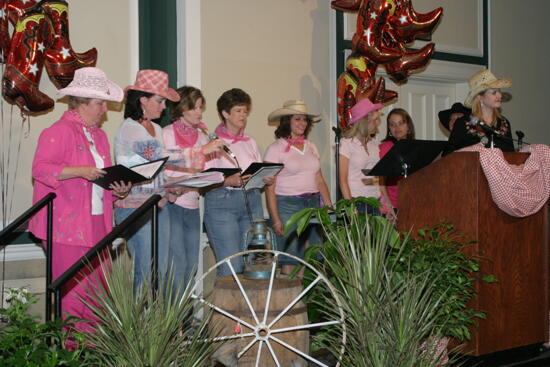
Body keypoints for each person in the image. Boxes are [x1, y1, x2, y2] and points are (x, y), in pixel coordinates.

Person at [29, 67, 131, 332]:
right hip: (67, 226)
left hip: (98, 222)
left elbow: (101, 180)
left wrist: (116, 190)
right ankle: (74, 351)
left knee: (99, 292)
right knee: (75, 295)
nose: (104, 110)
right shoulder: (59, 131)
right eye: (100, 103)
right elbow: (40, 169)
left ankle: (94, 350)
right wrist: (80, 172)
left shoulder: (99, 136)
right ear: (82, 103)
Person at [114, 70, 212, 292]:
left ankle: (157, 324)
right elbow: (160, 156)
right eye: (159, 101)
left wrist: (168, 188)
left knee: (162, 268)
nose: (164, 107)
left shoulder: (156, 128)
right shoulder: (130, 129)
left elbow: (157, 169)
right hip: (135, 208)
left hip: (158, 204)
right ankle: (139, 323)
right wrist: (202, 150)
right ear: (143, 100)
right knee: (146, 270)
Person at [203, 88, 273, 277]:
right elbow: (203, 180)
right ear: (226, 114)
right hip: (223, 203)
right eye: (238, 111)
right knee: (231, 264)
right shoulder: (213, 142)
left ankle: (253, 306)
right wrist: (227, 181)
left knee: (255, 262)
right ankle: (229, 306)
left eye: (245, 111)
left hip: (252, 199)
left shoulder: (250, 141)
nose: (243, 115)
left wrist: (264, 177)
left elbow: (255, 169)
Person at [162, 86, 224, 289]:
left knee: (191, 265)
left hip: (193, 204)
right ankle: (173, 319)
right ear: (181, 108)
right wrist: (202, 151)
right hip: (172, 204)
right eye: (194, 107)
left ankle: (185, 318)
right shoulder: (166, 133)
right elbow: (168, 167)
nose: (199, 112)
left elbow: (205, 170)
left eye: (200, 107)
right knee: (176, 265)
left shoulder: (203, 136)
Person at [264, 100, 332, 275]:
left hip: (313, 205)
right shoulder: (275, 149)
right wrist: (276, 219)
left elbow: (320, 180)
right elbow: (270, 187)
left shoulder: (312, 147)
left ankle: (308, 299)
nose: (302, 123)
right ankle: (293, 301)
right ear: (287, 121)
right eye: (297, 119)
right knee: (291, 258)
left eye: (304, 119)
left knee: (314, 256)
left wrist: (329, 208)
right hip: (287, 205)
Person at [445, 69, 514, 154]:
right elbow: (447, 155)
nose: (499, 95)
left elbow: (511, 154)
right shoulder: (463, 123)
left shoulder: (504, 123)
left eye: (499, 91)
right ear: (480, 97)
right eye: (494, 93)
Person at [338, 98, 383, 215]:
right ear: (365, 120)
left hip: (374, 202)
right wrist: (350, 208)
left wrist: (386, 203)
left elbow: (377, 178)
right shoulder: (346, 144)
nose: (378, 123)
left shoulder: (373, 145)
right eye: (375, 120)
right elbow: (343, 180)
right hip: (357, 203)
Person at [379, 108, 416, 220]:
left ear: (408, 126)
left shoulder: (416, 147)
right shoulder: (385, 147)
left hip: (412, 204)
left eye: (401, 123)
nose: (397, 128)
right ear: (389, 129)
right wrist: (388, 205)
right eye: (392, 124)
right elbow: (380, 181)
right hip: (392, 206)